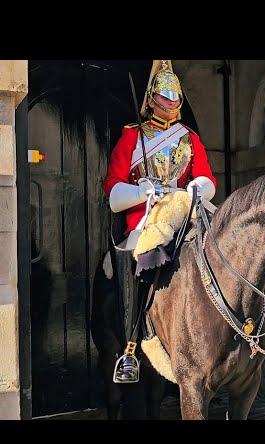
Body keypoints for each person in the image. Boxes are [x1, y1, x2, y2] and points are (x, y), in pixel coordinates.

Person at [103, 60, 217, 383]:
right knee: (134, 262)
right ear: (151, 99)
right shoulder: (131, 137)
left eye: (174, 96)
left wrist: (196, 187)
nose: (169, 102)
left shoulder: (189, 138)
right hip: (146, 217)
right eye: (163, 96)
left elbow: (207, 179)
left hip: (182, 213)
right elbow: (112, 191)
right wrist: (140, 191)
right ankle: (130, 348)